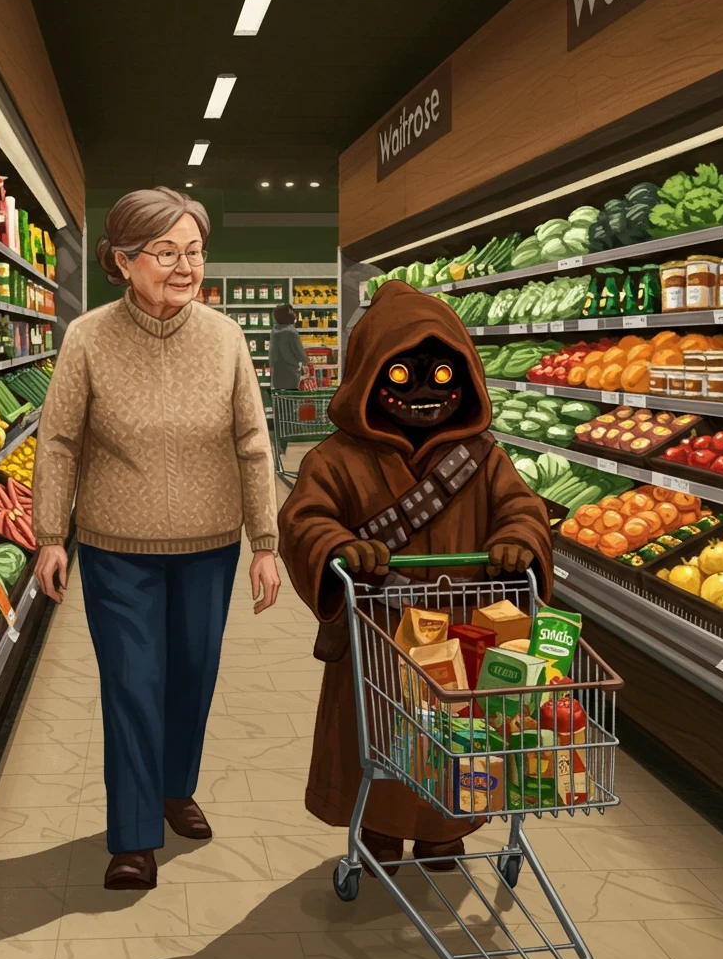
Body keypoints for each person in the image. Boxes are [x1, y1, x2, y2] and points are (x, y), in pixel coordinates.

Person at [33, 186, 281, 891]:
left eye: (194, 252)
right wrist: (52, 534)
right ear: (122, 261)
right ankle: (135, 834)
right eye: (166, 252)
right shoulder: (88, 338)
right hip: (117, 547)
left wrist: (264, 542)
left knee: (193, 674)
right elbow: (58, 442)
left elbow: (253, 444)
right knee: (134, 684)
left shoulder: (226, 336)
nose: (184, 266)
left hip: (211, 545)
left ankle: (176, 788)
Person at [278, 279, 553, 875]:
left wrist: (517, 542)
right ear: (369, 378)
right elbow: (303, 520)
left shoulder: (484, 458)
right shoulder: (336, 460)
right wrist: (340, 546)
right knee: (379, 733)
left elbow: (522, 509)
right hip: (378, 633)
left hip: (465, 635)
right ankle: (377, 832)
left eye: (443, 377)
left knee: (458, 734)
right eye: (401, 377)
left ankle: (443, 832)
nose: (425, 393)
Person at [269, 303, 310, 456]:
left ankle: (279, 442)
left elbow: (272, 356)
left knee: (279, 408)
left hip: (277, 374)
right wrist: (306, 362)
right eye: (291, 312)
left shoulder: (274, 331)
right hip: (291, 373)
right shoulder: (291, 332)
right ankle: (287, 440)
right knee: (290, 407)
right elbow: (300, 353)